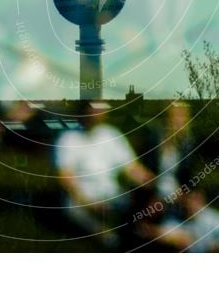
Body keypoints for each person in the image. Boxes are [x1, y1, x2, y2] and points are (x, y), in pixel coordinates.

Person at [55, 102, 154, 244]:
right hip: (84, 196)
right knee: (74, 208)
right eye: (92, 106)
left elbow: (131, 168)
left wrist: (150, 182)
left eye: (100, 107)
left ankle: (131, 233)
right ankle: (108, 237)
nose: (97, 111)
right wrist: (87, 203)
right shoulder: (68, 138)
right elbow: (66, 176)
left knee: (136, 203)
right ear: (83, 109)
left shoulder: (111, 135)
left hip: (111, 195)